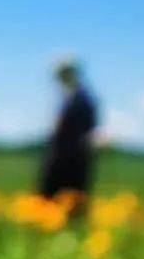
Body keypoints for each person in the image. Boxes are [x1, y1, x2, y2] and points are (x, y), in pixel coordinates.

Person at [38, 58, 99, 209]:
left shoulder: (82, 99)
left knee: (67, 201)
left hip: (70, 161)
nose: (58, 80)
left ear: (71, 74)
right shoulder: (71, 97)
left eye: (61, 75)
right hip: (63, 157)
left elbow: (86, 133)